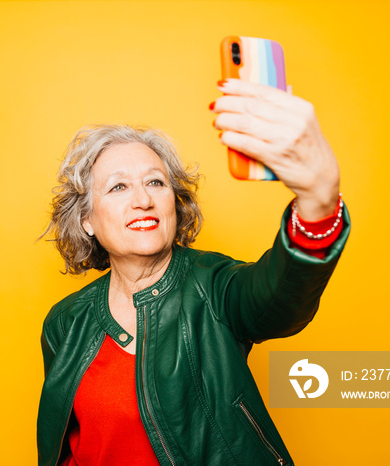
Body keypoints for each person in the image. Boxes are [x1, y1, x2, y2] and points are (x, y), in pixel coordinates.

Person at [37, 79, 350, 465]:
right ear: (86, 220)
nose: (143, 200)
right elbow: (69, 446)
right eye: (118, 187)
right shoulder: (65, 322)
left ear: (175, 201)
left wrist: (318, 201)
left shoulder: (214, 286)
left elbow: (280, 299)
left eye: (155, 181)